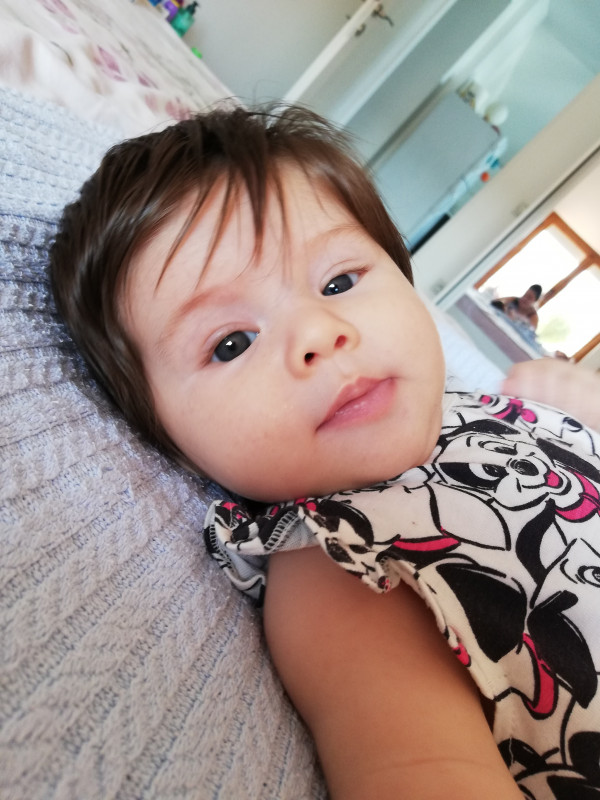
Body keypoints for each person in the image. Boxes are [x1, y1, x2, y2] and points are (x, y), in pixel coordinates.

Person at [50, 105, 600, 800]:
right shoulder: (335, 565)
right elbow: (427, 774)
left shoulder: (482, 408)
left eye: (339, 281)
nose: (320, 330)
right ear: (168, 438)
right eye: (232, 343)